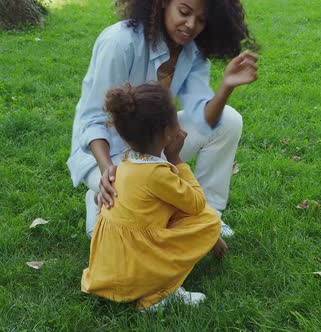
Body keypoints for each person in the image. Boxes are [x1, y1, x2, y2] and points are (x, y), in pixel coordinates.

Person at [66, 0, 259, 238]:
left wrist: (226, 86)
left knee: (229, 121)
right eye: (184, 12)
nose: (190, 25)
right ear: (163, 3)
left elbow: (205, 119)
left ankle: (210, 218)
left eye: (201, 20)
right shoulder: (120, 41)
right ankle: (99, 201)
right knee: (137, 218)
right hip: (104, 150)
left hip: (151, 143)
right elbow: (93, 118)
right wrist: (108, 171)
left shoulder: (192, 52)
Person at [81, 82, 223, 311]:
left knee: (176, 215)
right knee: (209, 220)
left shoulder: (124, 163)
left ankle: (145, 283)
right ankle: (158, 295)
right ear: (169, 132)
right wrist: (176, 158)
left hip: (108, 269)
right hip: (134, 273)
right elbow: (196, 204)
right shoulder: (157, 174)